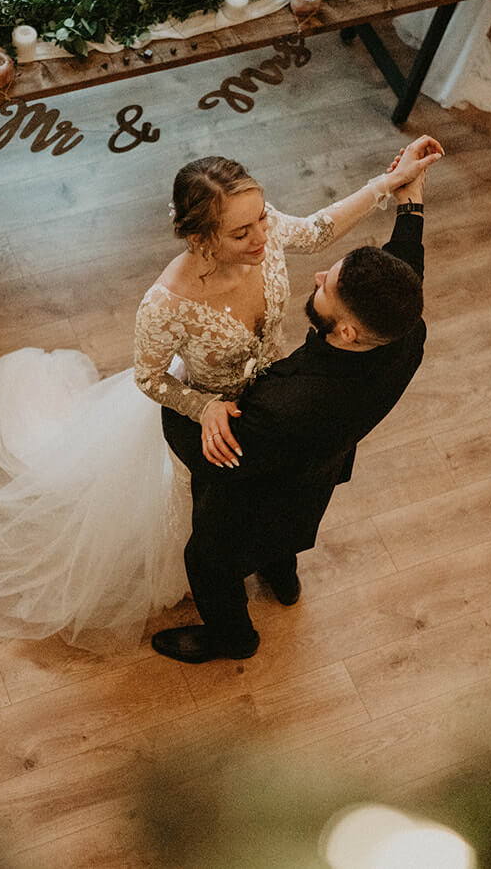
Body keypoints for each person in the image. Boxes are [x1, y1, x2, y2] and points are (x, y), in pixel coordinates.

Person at [0, 148, 437, 651]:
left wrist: (387, 184)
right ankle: (264, 570)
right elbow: (150, 379)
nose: (264, 239)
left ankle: (275, 565)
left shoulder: (266, 248)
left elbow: (317, 230)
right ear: (200, 238)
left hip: (268, 423)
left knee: (252, 514)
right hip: (217, 418)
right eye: (242, 231)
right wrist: (203, 407)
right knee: (212, 517)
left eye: (264, 218)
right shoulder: (166, 305)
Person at [151, 135, 440, 664]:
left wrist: (195, 409)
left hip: (266, 465)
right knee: (295, 519)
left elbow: (223, 459)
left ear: (348, 332)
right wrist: (406, 196)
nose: (321, 273)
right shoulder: (404, 329)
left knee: (211, 559)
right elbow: (404, 265)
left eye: (329, 286)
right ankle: (282, 574)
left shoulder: (285, 403)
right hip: (324, 460)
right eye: (247, 228)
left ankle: (234, 638)